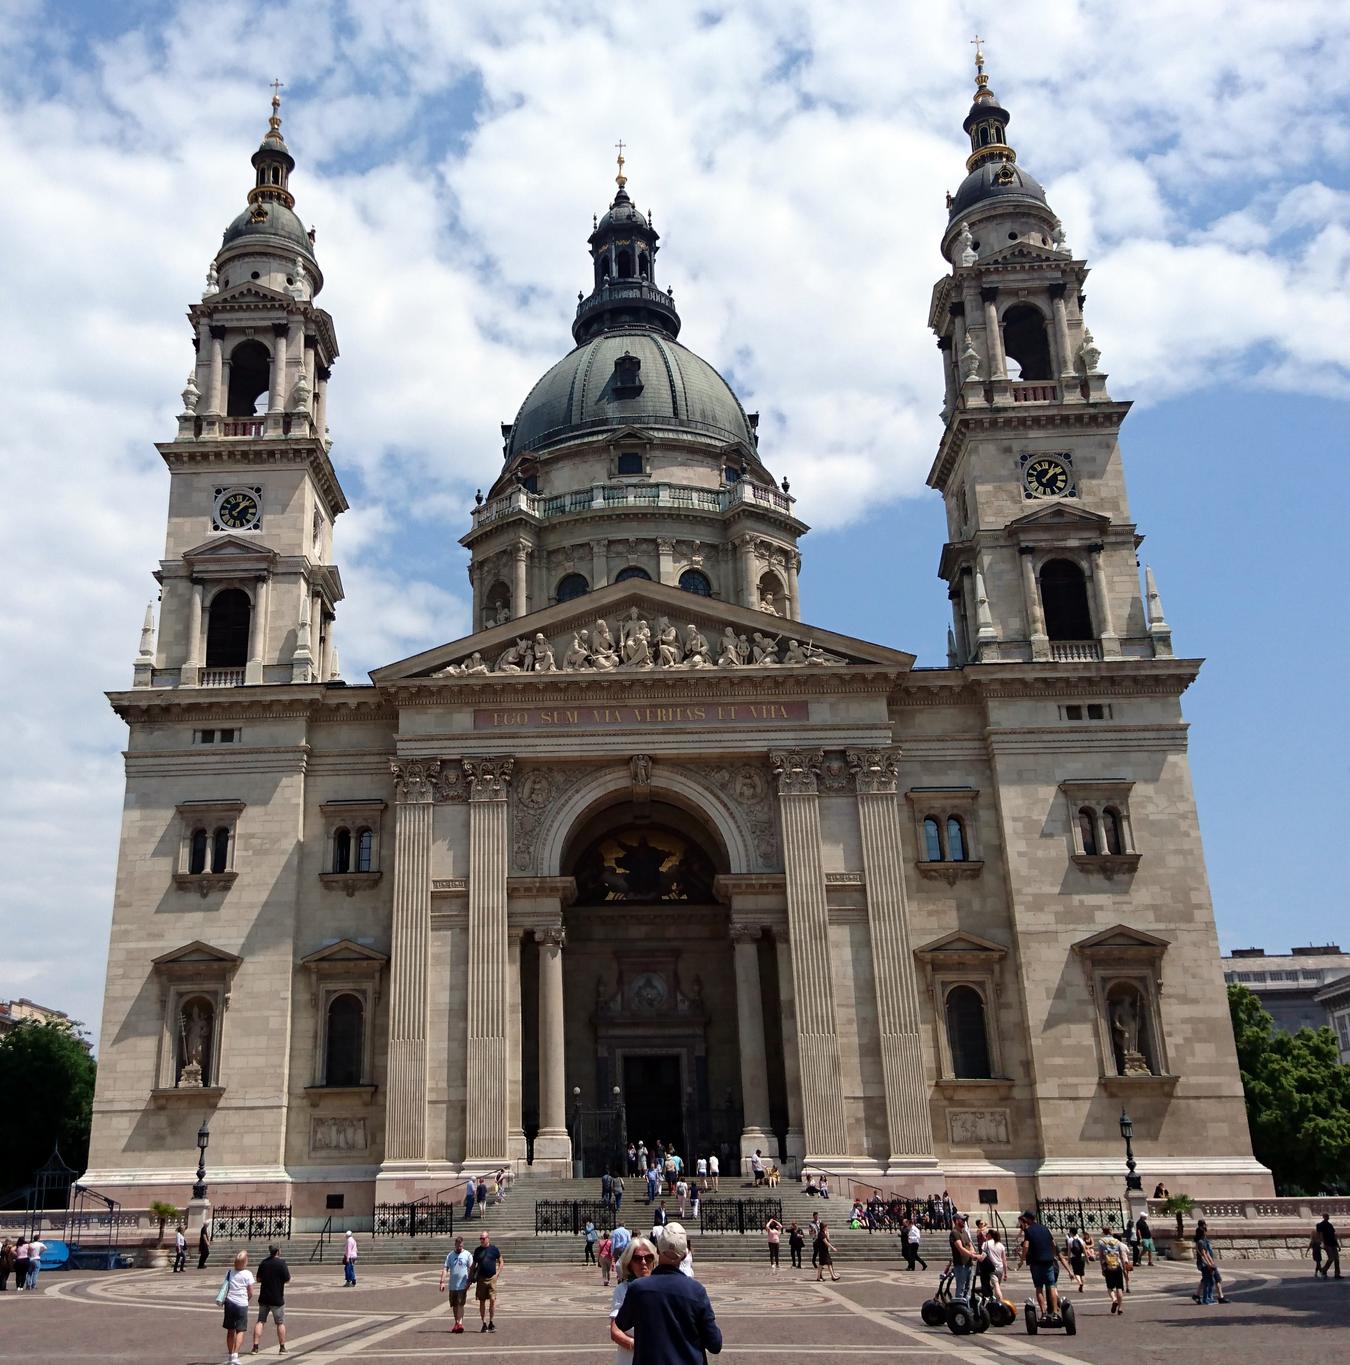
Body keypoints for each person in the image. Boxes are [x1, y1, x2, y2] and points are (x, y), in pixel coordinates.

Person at [614, 1222, 722, 1364]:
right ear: (684, 1255)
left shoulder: (638, 1289)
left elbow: (621, 1324)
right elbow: (715, 1344)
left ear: (657, 1250)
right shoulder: (696, 1291)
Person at [609, 1235, 656, 1362]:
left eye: (648, 1257)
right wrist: (637, 1345)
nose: (644, 1262)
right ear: (629, 1262)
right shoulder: (622, 1290)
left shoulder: (664, 1287)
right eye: (637, 1259)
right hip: (630, 1357)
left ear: (654, 1260)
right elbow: (615, 1331)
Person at [1017, 1210, 1065, 1321]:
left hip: (1035, 1261)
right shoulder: (1045, 1228)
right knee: (1051, 1286)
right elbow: (1053, 1244)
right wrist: (1052, 1255)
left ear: (1028, 1219)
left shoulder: (1028, 1231)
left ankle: (1043, 1313)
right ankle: (1054, 1312)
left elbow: (1026, 1246)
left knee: (1039, 1288)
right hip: (1048, 1260)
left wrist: (1022, 1259)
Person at [252, 1242, 290, 1354]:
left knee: (260, 1321)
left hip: (264, 1296)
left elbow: (258, 1279)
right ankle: (282, 1347)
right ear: (278, 1251)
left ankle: (255, 1347)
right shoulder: (282, 1263)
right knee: (280, 1323)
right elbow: (287, 1279)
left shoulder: (264, 1263)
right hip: (277, 1297)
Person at [220, 1249, 255, 1365]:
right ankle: (235, 1354)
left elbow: (227, 1287)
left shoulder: (229, 1272)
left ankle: (230, 1355)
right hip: (241, 1303)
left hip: (229, 1303)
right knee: (240, 1329)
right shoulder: (248, 1274)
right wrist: (246, 1299)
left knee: (230, 1330)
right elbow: (250, 1291)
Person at [470, 1229, 503, 1332]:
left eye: (483, 1238)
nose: (481, 1240)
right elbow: (473, 1265)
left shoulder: (494, 1249)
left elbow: (501, 1261)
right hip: (481, 1279)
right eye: (480, 1238)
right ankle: (484, 1323)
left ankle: (491, 1322)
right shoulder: (477, 1250)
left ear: (488, 1238)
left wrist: (497, 1274)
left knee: (493, 1300)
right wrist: (470, 1278)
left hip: (492, 1278)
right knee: (482, 1301)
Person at [439, 1235, 473, 1334]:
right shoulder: (450, 1255)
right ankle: (456, 1322)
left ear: (463, 1245)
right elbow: (445, 1268)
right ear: (455, 1245)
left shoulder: (467, 1255)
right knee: (454, 1305)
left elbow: (471, 1268)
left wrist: (469, 1281)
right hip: (453, 1284)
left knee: (460, 1304)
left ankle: (460, 1323)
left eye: (461, 1246)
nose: (459, 1248)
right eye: (458, 1246)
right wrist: (442, 1282)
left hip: (463, 1284)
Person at [1096, 1223, 1129, 1315]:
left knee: (1110, 1287)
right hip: (1117, 1266)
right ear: (1110, 1231)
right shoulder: (1117, 1242)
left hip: (1108, 1266)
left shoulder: (1101, 1242)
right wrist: (1124, 1267)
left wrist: (1102, 1268)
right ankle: (1120, 1307)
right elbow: (1122, 1256)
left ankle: (1114, 1299)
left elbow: (1101, 1257)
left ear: (1103, 1232)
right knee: (1119, 1287)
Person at [948, 1214, 979, 1302]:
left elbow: (970, 1245)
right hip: (960, 1264)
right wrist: (972, 1255)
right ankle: (959, 1306)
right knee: (961, 1287)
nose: (964, 1221)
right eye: (962, 1220)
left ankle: (966, 1305)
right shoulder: (954, 1233)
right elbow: (960, 1249)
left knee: (967, 1287)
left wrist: (973, 1252)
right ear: (957, 1221)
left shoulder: (964, 1232)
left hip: (968, 1263)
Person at [1191, 1219, 1218, 1304]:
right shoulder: (1201, 1242)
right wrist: (1210, 1264)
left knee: (1210, 1281)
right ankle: (1206, 1299)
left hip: (1204, 1263)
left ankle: (1209, 1297)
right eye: (1204, 1233)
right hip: (1203, 1264)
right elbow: (1204, 1255)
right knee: (1207, 1282)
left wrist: (1212, 1263)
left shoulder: (1202, 1242)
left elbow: (1207, 1254)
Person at [981, 1226, 1008, 1302]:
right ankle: (995, 1301)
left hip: (992, 1268)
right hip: (1000, 1268)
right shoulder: (1000, 1245)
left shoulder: (986, 1244)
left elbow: (983, 1255)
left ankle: (1000, 1302)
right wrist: (1005, 1273)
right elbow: (1004, 1260)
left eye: (987, 1235)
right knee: (997, 1285)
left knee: (996, 1286)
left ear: (989, 1235)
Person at [1316, 1212, 1342, 1279]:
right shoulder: (1320, 1225)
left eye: (1328, 1216)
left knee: (1337, 1259)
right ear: (1323, 1217)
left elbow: (1334, 1236)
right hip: (1327, 1244)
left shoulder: (1330, 1225)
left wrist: (1338, 1245)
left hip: (1333, 1243)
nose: (1328, 1217)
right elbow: (1320, 1234)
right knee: (1331, 1258)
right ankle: (1323, 1270)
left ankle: (1337, 1274)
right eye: (1326, 1216)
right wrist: (1322, 1243)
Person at [1065, 1225, 1088, 1292]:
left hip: (1074, 1257)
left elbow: (1069, 1251)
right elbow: (1084, 1249)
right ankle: (1082, 1284)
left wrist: (1069, 1259)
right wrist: (1087, 1258)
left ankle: (1080, 1283)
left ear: (1071, 1233)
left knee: (1076, 1272)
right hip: (1081, 1257)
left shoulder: (1070, 1240)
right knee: (1082, 1273)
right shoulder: (1080, 1240)